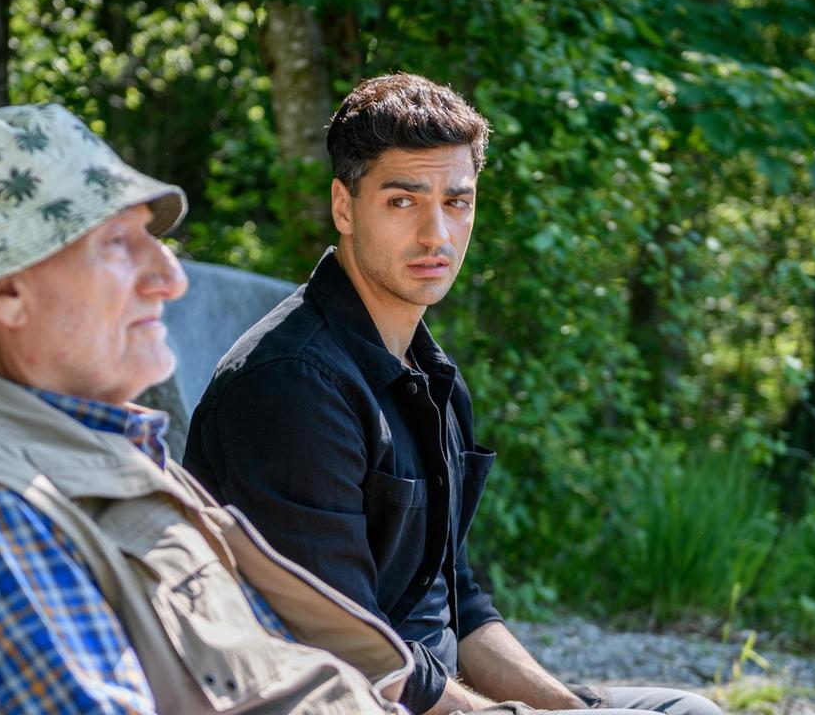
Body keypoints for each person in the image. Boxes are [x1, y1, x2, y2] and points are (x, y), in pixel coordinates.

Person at [0, 103, 417, 714]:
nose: (170, 278)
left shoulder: (97, 455)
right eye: (117, 243)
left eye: (153, 239)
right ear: (3, 290)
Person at [184, 73, 724, 715]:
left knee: (686, 711)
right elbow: (346, 652)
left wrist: (567, 710)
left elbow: (458, 602)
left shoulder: (431, 374)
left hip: (435, 696)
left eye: (457, 201)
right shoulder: (292, 384)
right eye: (403, 201)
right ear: (344, 206)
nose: (436, 234)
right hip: (343, 703)